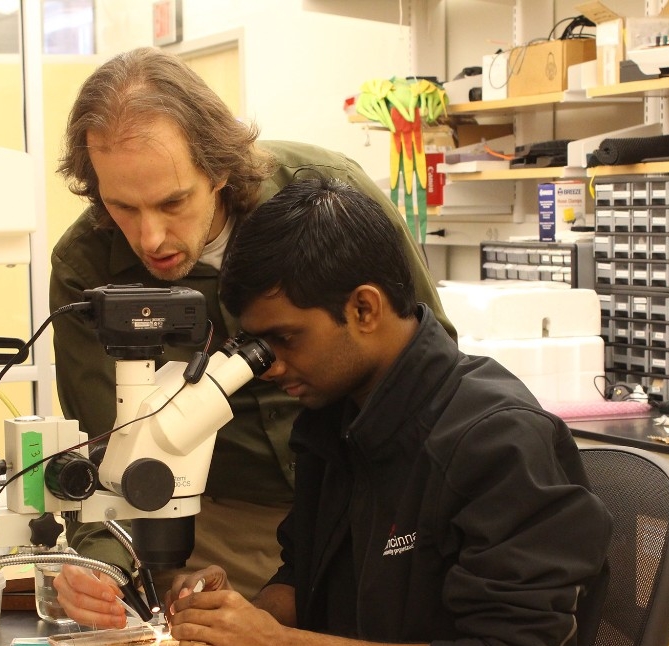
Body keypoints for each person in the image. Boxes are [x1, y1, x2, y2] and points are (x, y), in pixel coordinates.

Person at [56, 176, 612, 646]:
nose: (268, 366)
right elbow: (307, 578)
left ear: (366, 308)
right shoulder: (334, 418)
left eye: (284, 338)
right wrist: (249, 618)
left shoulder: (498, 441)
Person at [49, 47, 455, 599]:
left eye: (173, 203)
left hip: (371, 497)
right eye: (122, 207)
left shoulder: (329, 194)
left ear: (217, 168)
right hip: (215, 524)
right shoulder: (85, 267)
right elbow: (108, 447)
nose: (149, 238)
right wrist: (102, 566)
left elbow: (428, 358)